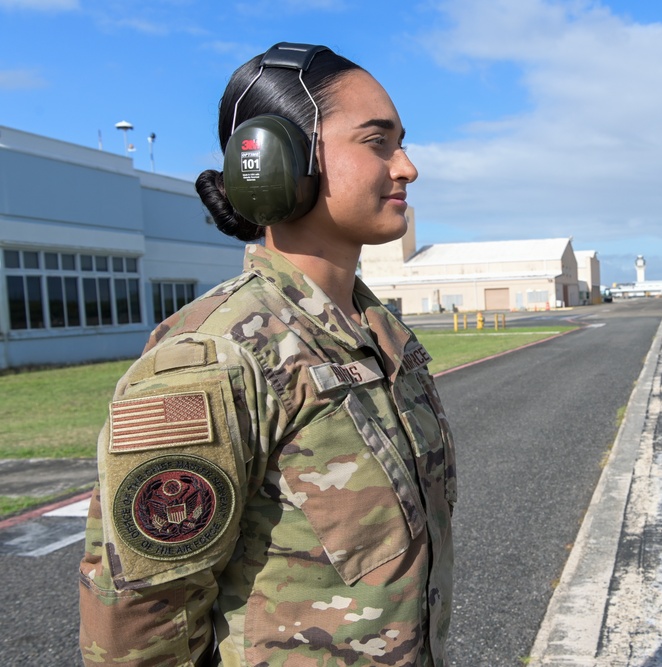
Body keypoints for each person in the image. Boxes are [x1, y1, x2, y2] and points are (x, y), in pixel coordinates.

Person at [78, 42, 456, 666]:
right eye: (377, 142)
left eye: (402, 143)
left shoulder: (379, 334)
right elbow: (139, 623)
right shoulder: (215, 358)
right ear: (278, 161)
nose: (407, 167)